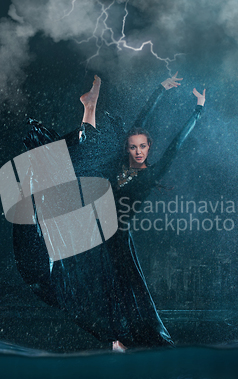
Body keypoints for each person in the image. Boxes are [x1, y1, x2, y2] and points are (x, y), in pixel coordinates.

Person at [13, 73, 205, 351]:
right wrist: (160, 90)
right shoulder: (117, 165)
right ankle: (89, 107)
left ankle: (118, 340)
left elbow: (175, 147)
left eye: (143, 147)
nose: (138, 151)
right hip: (90, 221)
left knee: (102, 295)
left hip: (115, 242)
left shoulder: (149, 175)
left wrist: (198, 111)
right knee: (88, 158)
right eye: (133, 146)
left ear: (149, 148)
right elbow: (142, 119)